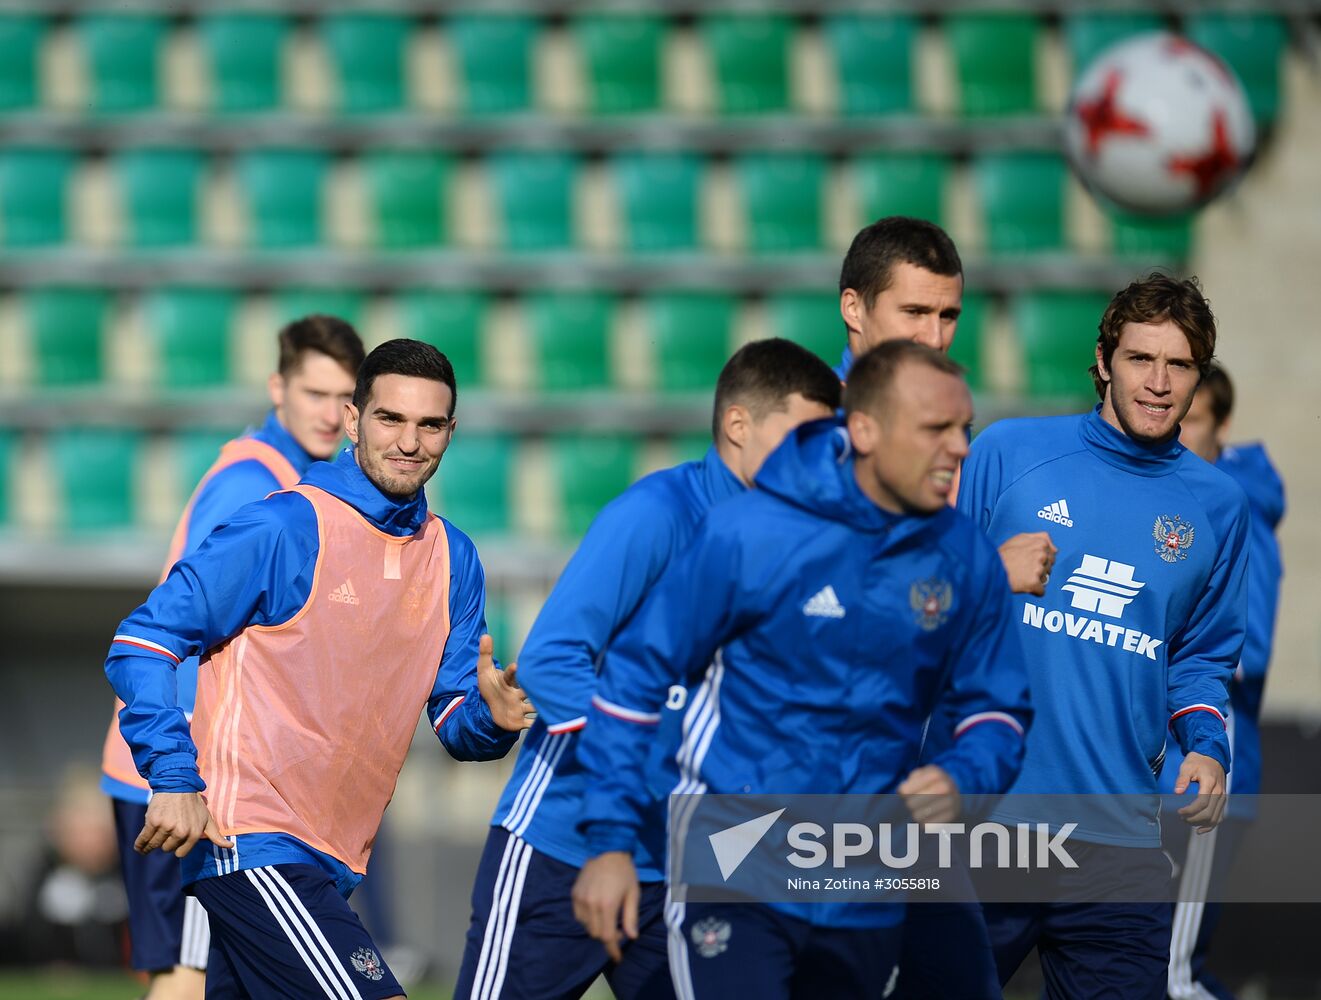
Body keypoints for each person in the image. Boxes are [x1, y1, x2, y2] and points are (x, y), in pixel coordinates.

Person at [572, 341, 1032, 1000]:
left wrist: (964, 776)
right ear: (864, 429)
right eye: (935, 429)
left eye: (964, 428)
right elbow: (633, 678)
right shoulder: (749, 533)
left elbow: (998, 708)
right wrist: (611, 840)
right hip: (732, 865)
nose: (959, 447)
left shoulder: (962, 555)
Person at [104, 339, 531, 1000]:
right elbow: (144, 640)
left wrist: (493, 720)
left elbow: (454, 720)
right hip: (249, 839)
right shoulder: (284, 526)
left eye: (429, 425)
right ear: (354, 420)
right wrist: (171, 773)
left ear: (451, 431)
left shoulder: (453, 557)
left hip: (333, 858)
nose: (410, 441)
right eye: (390, 419)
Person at [453, 339, 841, 1000]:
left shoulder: (796, 544)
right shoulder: (656, 514)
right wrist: (630, 764)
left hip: (689, 865)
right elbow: (550, 657)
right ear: (737, 426)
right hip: (562, 846)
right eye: (799, 438)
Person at [955, 274, 1251, 999]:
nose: (1156, 383)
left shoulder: (1218, 505)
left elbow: (1200, 659)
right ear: (1101, 360)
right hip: (987, 821)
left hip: (1120, 839)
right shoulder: (1008, 455)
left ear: (1197, 377)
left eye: (1177, 365)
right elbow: (927, 602)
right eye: (1138, 359)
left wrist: (1208, 752)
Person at [99, 315, 364, 1000]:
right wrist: (179, 773)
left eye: (345, 398)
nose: (332, 415)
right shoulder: (255, 486)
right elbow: (175, 631)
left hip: (191, 771)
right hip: (188, 775)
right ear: (278, 387)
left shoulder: (297, 478)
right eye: (314, 393)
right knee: (187, 978)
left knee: (224, 978)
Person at [836, 215, 1051, 998]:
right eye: (913, 312)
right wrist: (984, 576)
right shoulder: (801, 433)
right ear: (854, 309)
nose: (934, 334)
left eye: (948, 314)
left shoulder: (951, 437)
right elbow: (809, 608)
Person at [1163, 364, 1285, 1000]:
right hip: (1157, 776)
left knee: (1173, 976)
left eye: (1195, 420)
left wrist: (1144, 637)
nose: (1178, 434)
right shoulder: (1175, 501)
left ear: (1223, 425)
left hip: (1209, 778)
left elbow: (1249, 648)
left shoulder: (1238, 515)